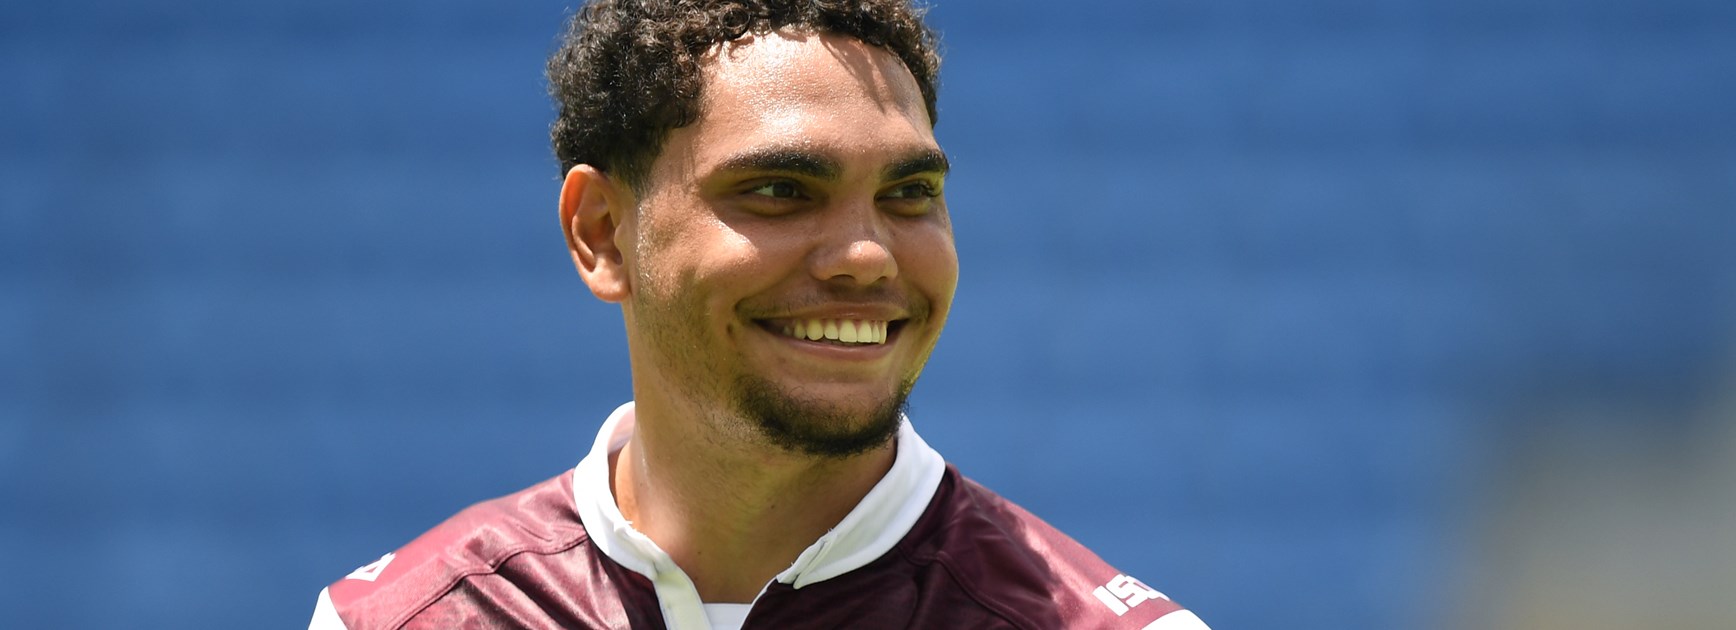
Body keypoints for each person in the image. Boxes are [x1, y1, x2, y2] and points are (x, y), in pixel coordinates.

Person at [309, 1, 1208, 628]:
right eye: (780, 190)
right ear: (603, 234)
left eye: (908, 193)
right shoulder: (402, 619)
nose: (868, 256)